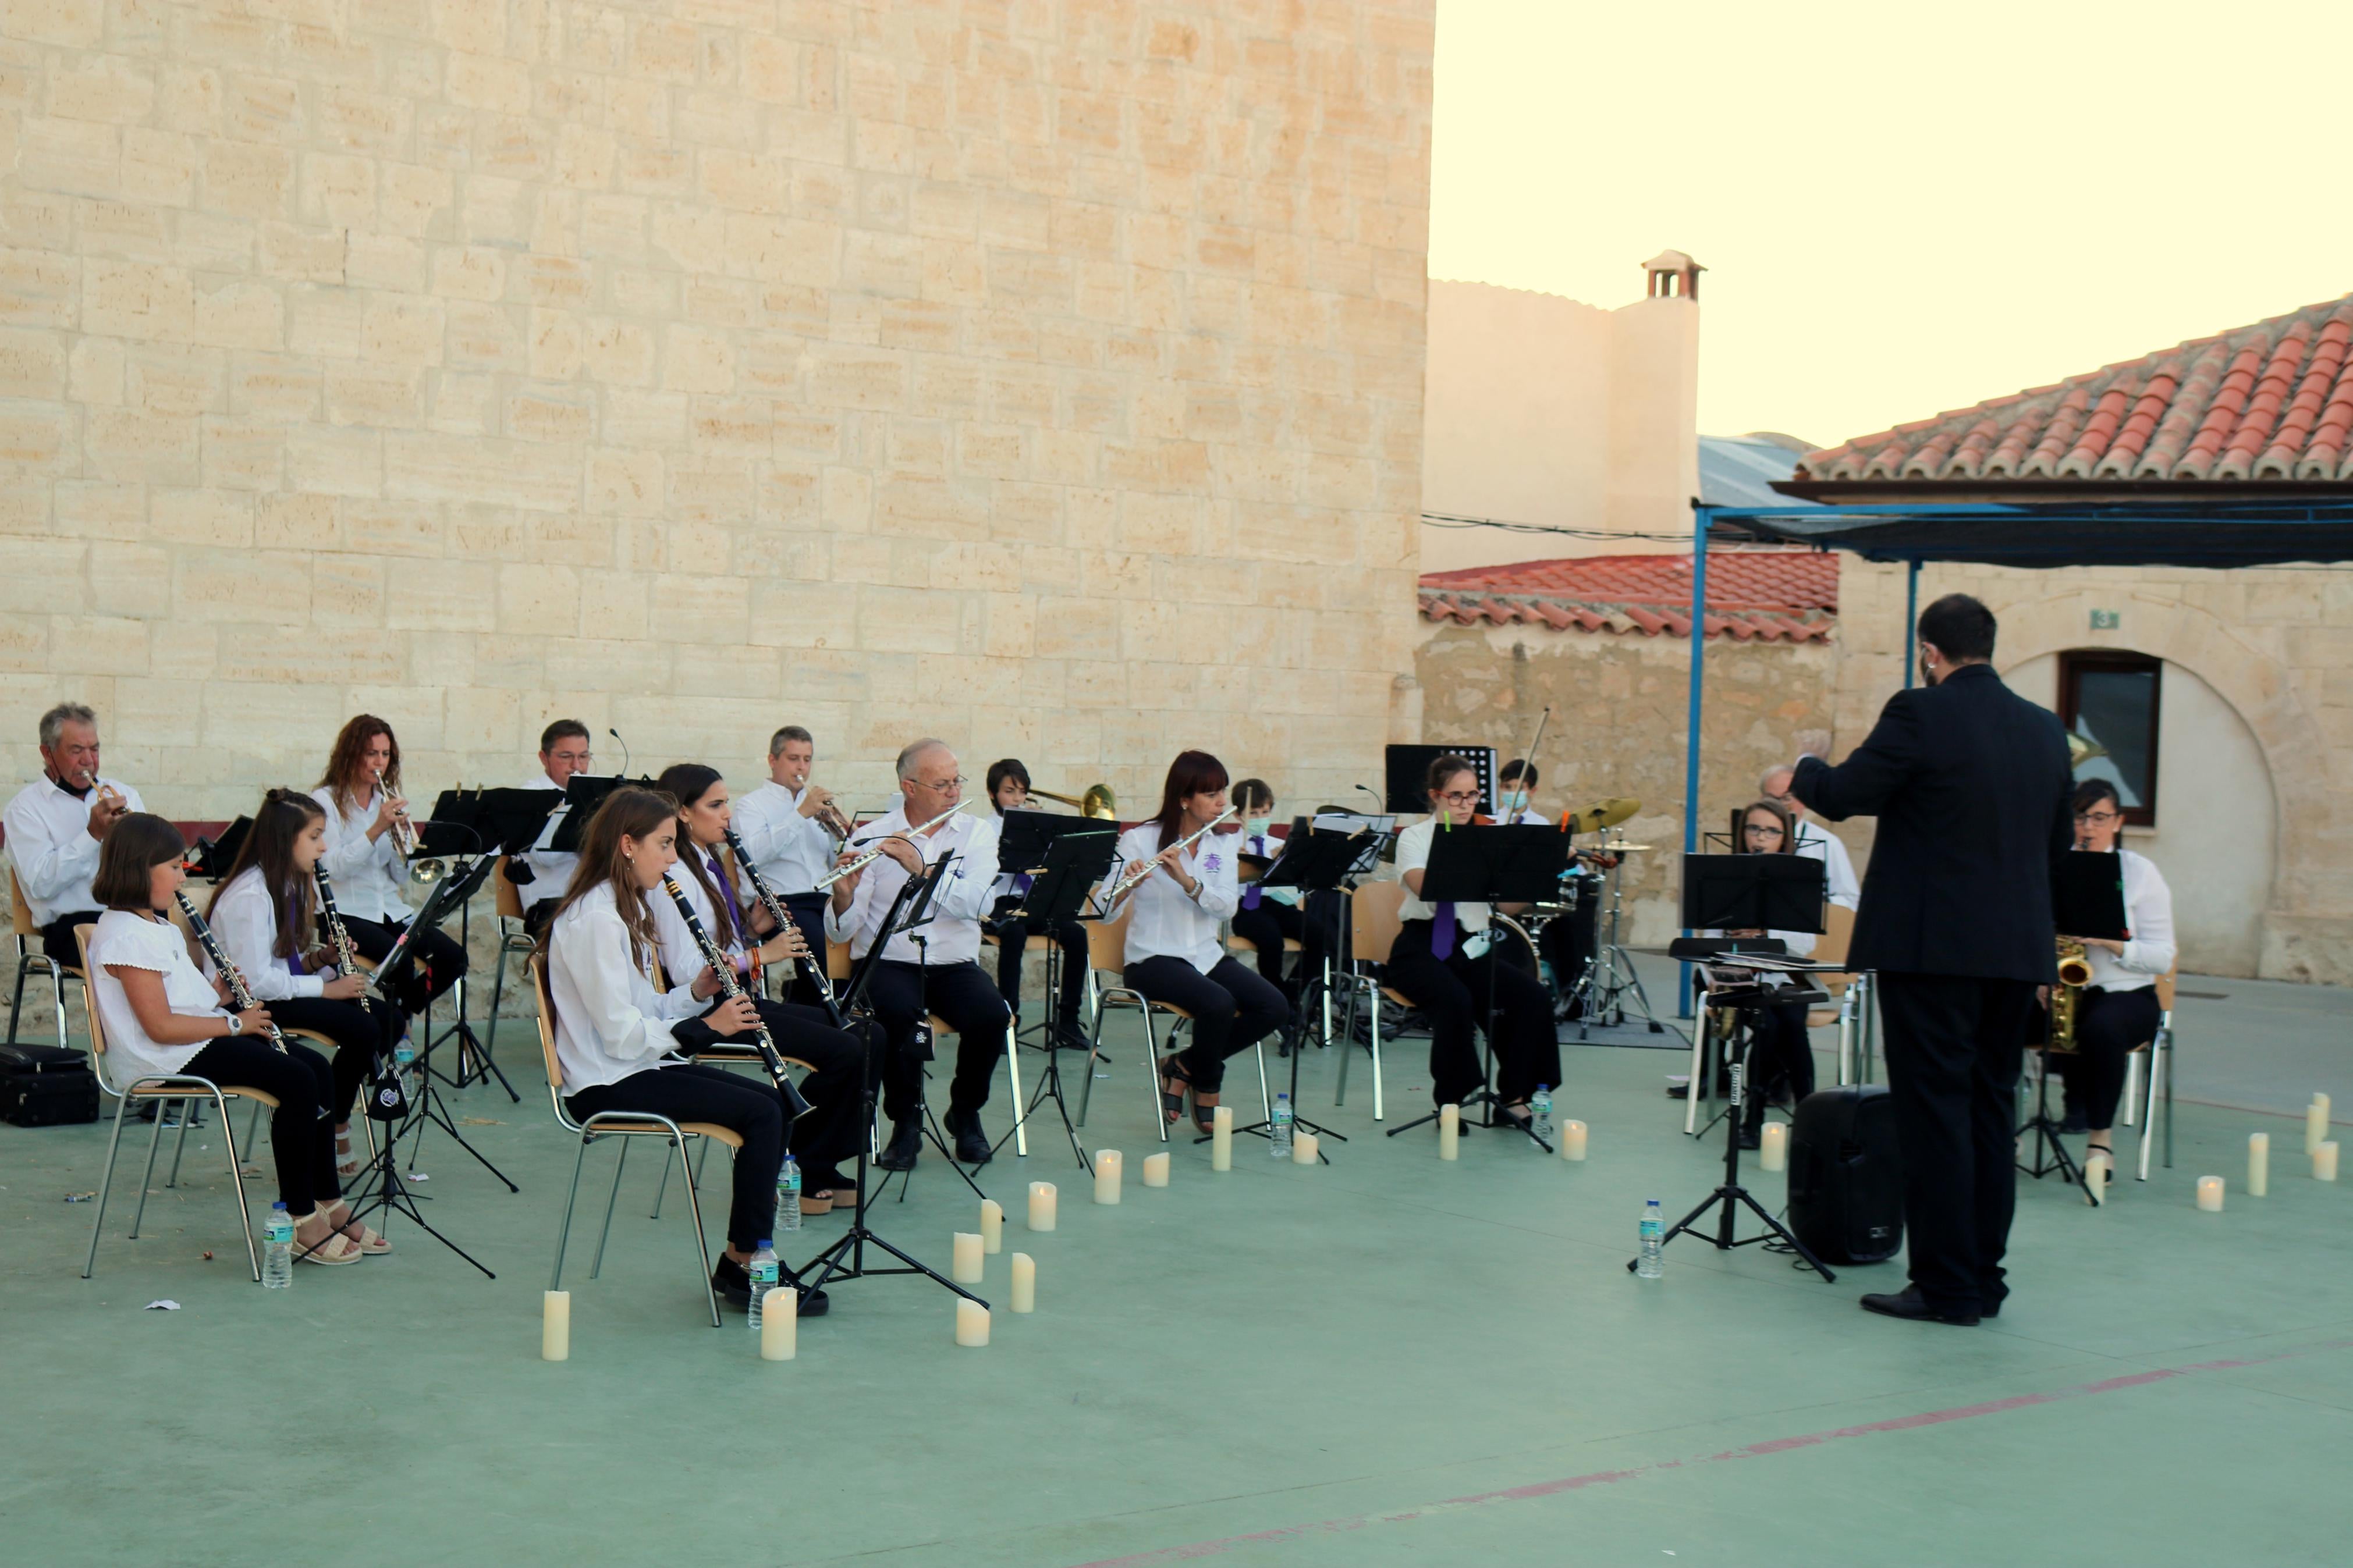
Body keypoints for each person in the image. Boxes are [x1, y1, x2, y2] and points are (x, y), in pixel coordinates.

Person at [1789, 592, 2072, 1327]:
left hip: (1929, 949)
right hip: (2013, 953)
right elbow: (2057, 849)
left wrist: (1803, 765)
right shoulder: (2045, 731)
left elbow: (1846, 794)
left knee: (1933, 1115)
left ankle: (1943, 1287)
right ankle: (1982, 1279)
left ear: (1928, 651)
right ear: (1989, 643)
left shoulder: (1918, 711)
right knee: (1988, 1108)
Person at [545, 785, 828, 1314]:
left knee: (770, 1105)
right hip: (605, 1082)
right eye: (664, 844)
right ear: (627, 844)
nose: (673, 857)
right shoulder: (596, 920)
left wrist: (694, 995)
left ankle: (742, 1257)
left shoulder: (617, 907)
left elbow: (641, 1008)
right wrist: (707, 1029)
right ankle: (746, 1262)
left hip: (632, 1064)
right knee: (761, 1113)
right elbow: (620, 1036)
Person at [84, 812, 377, 1265]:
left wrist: (220, 997)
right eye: (176, 867)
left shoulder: (155, 924)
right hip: (162, 1061)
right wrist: (236, 1023)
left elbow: (184, 1003)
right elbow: (159, 1026)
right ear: (140, 870)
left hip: (190, 1043)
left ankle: (328, 1201)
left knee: (314, 1067)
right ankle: (300, 1219)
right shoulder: (124, 935)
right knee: (296, 1081)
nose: (184, 875)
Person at [648, 763, 879, 1213]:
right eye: (715, 805)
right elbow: (687, 970)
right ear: (681, 813)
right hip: (712, 1011)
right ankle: (802, 1160)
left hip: (739, 997)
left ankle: (819, 1157)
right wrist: (763, 955)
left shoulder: (708, 864)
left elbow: (719, 945)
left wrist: (753, 931)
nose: (727, 815)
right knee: (847, 1050)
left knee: (868, 1035)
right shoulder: (673, 878)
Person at [825, 739, 1009, 1168]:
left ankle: (964, 1111)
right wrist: (843, 898)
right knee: (897, 1015)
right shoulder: (871, 836)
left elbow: (981, 905)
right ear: (909, 787)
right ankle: (905, 1122)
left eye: (956, 780)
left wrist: (923, 870)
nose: (953, 791)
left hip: (952, 962)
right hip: (888, 960)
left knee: (991, 1015)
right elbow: (844, 930)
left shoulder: (976, 833)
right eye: (941, 783)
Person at [208, 788, 403, 1183]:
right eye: (314, 836)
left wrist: (323, 960)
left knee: (388, 1020)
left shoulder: (288, 884)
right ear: (285, 839)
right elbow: (258, 979)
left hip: (278, 992)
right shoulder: (250, 895)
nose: (323, 846)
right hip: (247, 1006)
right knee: (363, 1027)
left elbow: (283, 964)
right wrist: (327, 990)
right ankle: (337, 1122)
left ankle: (339, 1113)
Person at [1098, 751, 1284, 1133]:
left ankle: (1184, 1064)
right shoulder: (1139, 839)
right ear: (1184, 798)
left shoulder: (1222, 845)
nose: (1222, 803)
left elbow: (1225, 908)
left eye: (1222, 792)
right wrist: (1126, 886)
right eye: (1212, 794)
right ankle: (1208, 1085)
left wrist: (1187, 881)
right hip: (1152, 958)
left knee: (1274, 1007)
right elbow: (1102, 911)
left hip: (1205, 955)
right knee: (1218, 1003)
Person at [1385, 755, 1560, 1130]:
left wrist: (1535, 875)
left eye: (1472, 795)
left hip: (1470, 948)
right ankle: (1449, 1102)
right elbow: (1423, 886)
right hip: (1420, 947)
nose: (1465, 805)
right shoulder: (1415, 838)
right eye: (1456, 796)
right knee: (1455, 1000)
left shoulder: (1487, 836)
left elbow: (1506, 905)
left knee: (1531, 996)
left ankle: (1515, 1097)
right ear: (1436, 795)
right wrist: (1467, 857)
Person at [309, 715, 467, 1023]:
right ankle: (398, 1032)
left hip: (388, 909)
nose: (378, 763)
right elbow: (331, 870)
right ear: (351, 754)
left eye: (385, 754)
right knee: (403, 963)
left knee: (453, 958)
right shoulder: (325, 801)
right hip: (345, 912)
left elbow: (398, 876)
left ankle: (400, 1016)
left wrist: (402, 843)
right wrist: (377, 828)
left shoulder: (384, 800)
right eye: (371, 754)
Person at [2050, 778, 2175, 1167]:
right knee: (1999, 1015)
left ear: (2118, 822)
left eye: (2099, 818)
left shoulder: (2140, 872)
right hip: (2060, 989)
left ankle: (2099, 1140)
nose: (2089, 827)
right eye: (2081, 817)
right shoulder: (2050, 865)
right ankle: (1999, 1134)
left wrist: (2112, 943)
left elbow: (2162, 956)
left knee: (2102, 1029)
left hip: (2127, 993)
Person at [1697, 799, 1818, 1150]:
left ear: (1785, 838)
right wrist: (1723, 968)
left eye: (1771, 831)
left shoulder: (1794, 880)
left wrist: (1763, 935)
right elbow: (1708, 940)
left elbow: (1805, 943)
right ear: (1742, 833)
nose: (1760, 838)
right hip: (1738, 981)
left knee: (1792, 1023)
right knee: (1770, 1025)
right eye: (1753, 829)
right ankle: (1753, 1120)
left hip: (1780, 979)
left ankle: (1807, 1116)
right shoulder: (1725, 876)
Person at [5, 702, 144, 962]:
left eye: (95, 749)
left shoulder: (126, 795)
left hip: (129, 916)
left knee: (179, 943)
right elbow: (41, 885)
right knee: (138, 955)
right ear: (48, 753)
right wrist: (92, 835)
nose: (89, 761)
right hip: (73, 927)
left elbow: (149, 868)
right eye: (76, 750)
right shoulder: (24, 809)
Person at [731, 726, 847, 1009]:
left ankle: (807, 1003)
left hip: (823, 900)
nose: (802, 768)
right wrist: (800, 815)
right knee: (822, 954)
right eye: (794, 759)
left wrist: (841, 834)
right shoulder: (751, 806)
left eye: (807, 760)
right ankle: (826, 1015)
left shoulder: (815, 807)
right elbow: (753, 856)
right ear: (773, 761)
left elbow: (832, 865)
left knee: (856, 946)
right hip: (779, 902)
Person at [979, 759, 1090, 1052]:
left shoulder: (1036, 824)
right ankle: (1008, 1019)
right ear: (992, 794)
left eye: (1021, 792)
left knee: (1076, 935)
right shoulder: (984, 829)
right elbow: (985, 875)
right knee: (1014, 935)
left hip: (1031, 900)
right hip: (996, 903)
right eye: (1009, 792)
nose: (1017, 799)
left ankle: (1068, 1021)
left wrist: (1048, 836)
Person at [1225, 778, 1335, 1051]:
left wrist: (1286, 865)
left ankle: (1294, 993)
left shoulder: (1279, 844)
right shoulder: (1228, 845)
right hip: (1246, 907)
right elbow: (1220, 885)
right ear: (1239, 815)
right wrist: (1237, 868)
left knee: (1319, 933)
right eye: (1253, 813)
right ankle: (1280, 999)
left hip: (1276, 905)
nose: (1261, 818)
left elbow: (1295, 891)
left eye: (1265, 812)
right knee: (1270, 939)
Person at [508, 719, 594, 938]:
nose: (576, 766)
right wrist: (592, 835)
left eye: (583, 757)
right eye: (566, 757)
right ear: (544, 758)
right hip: (549, 906)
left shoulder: (595, 793)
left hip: (589, 903)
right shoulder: (529, 796)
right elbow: (547, 857)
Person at [1760, 763, 1860, 911]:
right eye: (1771, 799)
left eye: (1787, 798)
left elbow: (1850, 901)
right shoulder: (1752, 835)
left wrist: (1811, 901)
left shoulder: (1828, 843)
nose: (1779, 807)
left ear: (1803, 800)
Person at [1496, 758, 1546, 825]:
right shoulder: (1491, 821)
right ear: (1501, 787)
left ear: (1532, 791)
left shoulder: (1541, 823)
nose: (1513, 792)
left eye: (1520, 788)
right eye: (1508, 787)